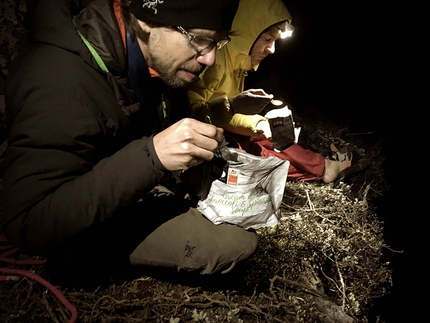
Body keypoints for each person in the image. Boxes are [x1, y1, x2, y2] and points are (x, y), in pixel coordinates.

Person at [0, 0, 276, 287]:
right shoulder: (59, 78)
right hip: (79, 215)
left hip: (131, 187)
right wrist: (152, 157)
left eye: (218, 43)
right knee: (231, 245)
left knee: (242, 222)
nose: (210, 59)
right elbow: (27, 223)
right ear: (146, 21)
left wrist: (228, 108)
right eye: (199, 39)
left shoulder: (154, 59)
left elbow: (166, 120)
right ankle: (86, 262)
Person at [187, 0, 352, 183]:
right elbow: (195, 114)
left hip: (223, 129)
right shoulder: (214, 61)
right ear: (246, 34)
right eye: (267, 39)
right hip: (208, 139)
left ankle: (323, 166)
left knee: (266, 135)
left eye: (274, 41)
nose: (272, 49)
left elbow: (226, 114)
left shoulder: (237, 63)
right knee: (254, 151)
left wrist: (258, 124)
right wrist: (237, 109)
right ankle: (322, 168)